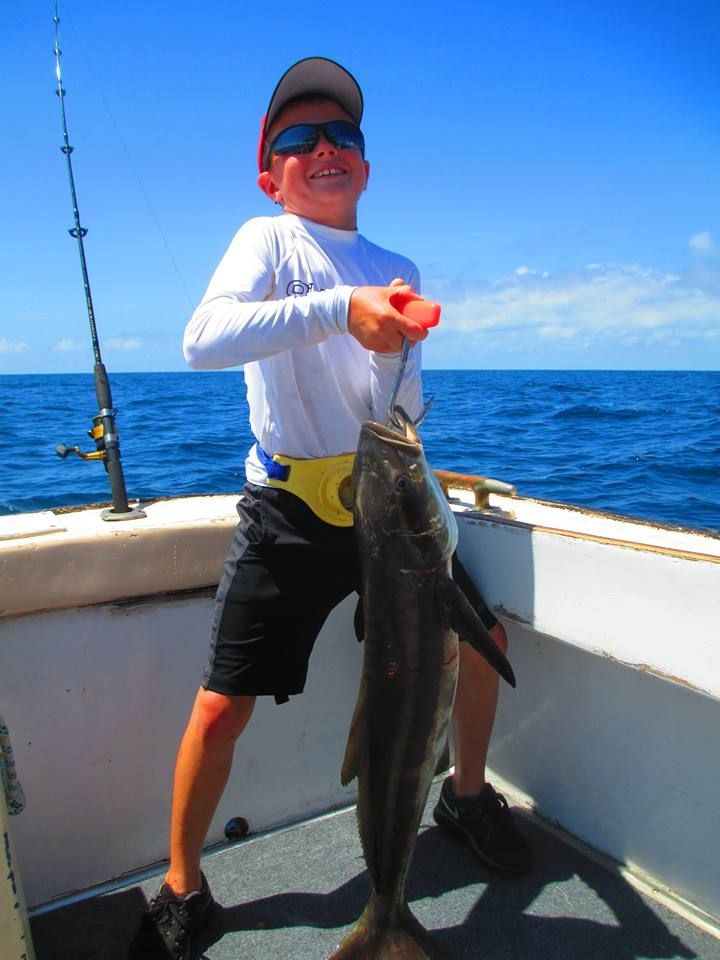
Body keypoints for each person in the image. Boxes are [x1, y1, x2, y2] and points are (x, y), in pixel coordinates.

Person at [128, 56, 530, 960]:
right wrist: (342, 308)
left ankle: (464, 797)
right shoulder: (266, 242)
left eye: (341, 135)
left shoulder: (397, 264)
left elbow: (403, 409)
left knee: (484, 643)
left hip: (391, 505)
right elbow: (202, 340)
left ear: (367, 163)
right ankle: (184, 886)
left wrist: (394, 345)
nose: (324, 149)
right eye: (299, 140)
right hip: (289, 512)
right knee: (223, 705)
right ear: (271, 174)